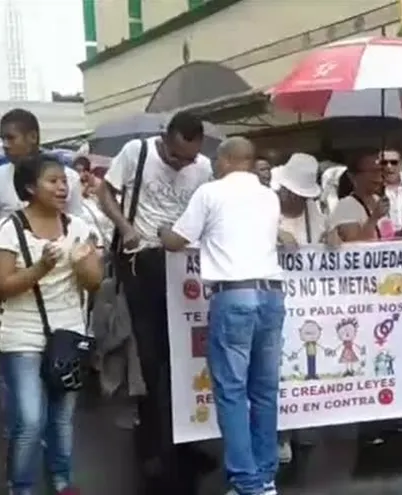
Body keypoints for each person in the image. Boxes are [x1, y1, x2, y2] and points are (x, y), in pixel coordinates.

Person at [159, 137, 284, 495]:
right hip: (272, 295)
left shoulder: (210, 193)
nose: (213, 163)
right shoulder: (269, 195)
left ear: (229, 159)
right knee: (264, 391)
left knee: (231, 392)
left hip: (233, 296)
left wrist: (159, 230)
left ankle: (246, 483)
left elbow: (176, 241)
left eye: (216, 157)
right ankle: (266, 476)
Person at [97, 111, 213, 490]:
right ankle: (152, 446)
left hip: (185, 265)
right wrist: (126, 227)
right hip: (140, 260)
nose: (183, 164)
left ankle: (185, 443)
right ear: (165, 137)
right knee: (150, 359)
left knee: (187, 357)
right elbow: (104, 193)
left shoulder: (203, 167)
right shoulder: (136, 153)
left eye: (190, 158)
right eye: (177, 156)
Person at [0, 155, 104, 494]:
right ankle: (21, 486)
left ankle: (62, 479)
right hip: (22, 334)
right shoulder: (10, 228)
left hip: (68, 333)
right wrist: (41, 267)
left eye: (64, 181)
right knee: (29, 419)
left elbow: (94, 283)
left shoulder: (79, 228)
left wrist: (84, 265)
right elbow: (3, 287)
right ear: (29, 188)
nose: (62, 187)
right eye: (52, 181)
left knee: (62, 418)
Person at [0, 109, 85, 302]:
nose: (5, 145)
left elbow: (79, 229)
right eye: (2, 139)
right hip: (12, 274)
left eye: (11, 138)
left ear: (33, 137)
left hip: (59, 278)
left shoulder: (68, 178)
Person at [272, 152, 336, 462]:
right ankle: (278, 434)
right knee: (278, 369)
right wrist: (274, 233)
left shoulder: (313, 210)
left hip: (308, 301)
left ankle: (299, 426)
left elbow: (324, 237)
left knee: (304, 367)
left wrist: (331, 236)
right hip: (273, 298)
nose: (297, 199)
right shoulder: (265, 207)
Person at [329, 149, 396, 242]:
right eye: (372, 171)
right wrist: (374, 218)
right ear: (354, 176)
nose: (378, 176)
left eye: (380, 170)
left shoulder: (378, 200)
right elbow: (354, 246)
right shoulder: (347, 206)